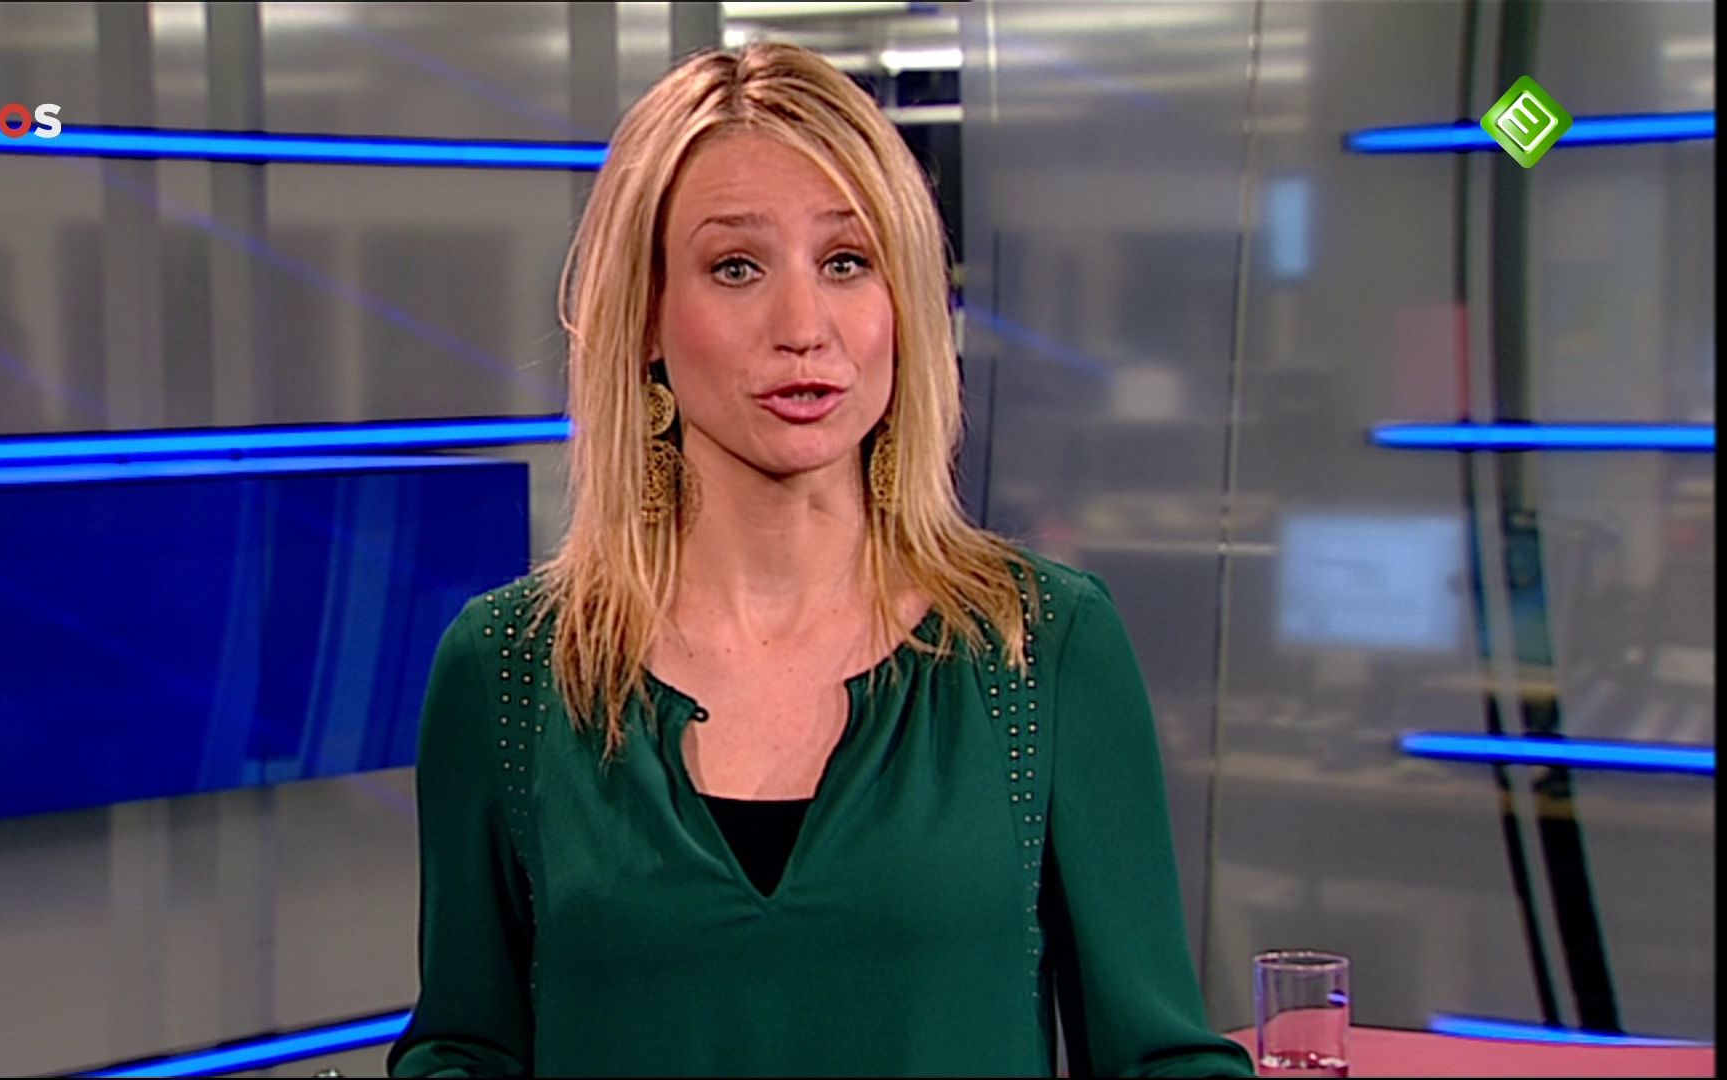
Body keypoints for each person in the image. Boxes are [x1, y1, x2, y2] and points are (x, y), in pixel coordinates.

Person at [388, 41, 1254, 1078]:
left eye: (846, 262)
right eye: (736, 268)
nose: (804, 327)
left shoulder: (1042, 647)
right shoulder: (509, 669)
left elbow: (1160, 1057)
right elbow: (464, 1046)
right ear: (646, 318)